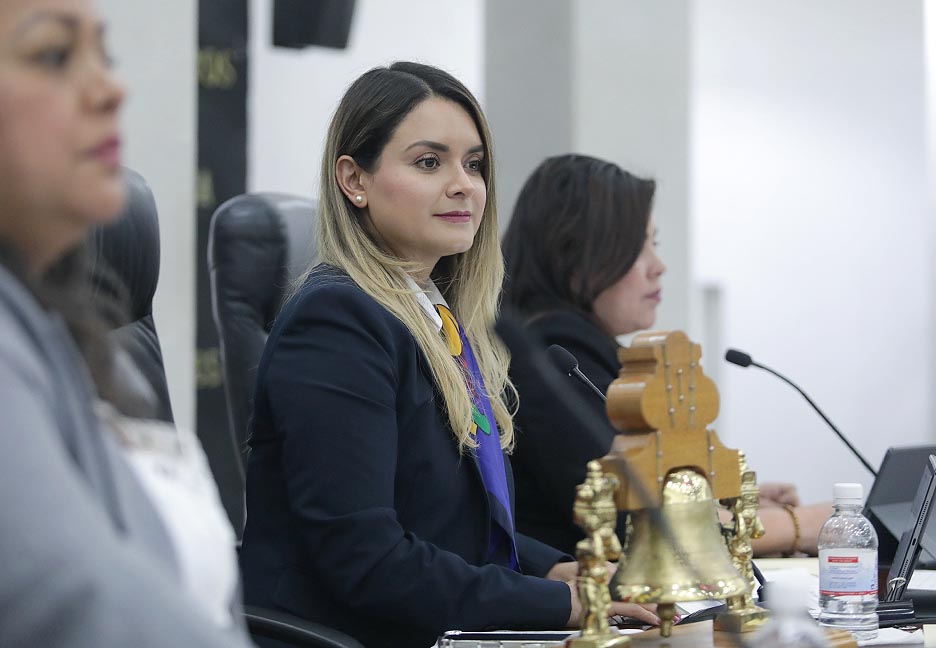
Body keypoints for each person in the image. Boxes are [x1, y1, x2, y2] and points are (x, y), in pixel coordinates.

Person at [238, 63, 659, 648]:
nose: (464, 184)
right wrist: (561, 603)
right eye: (429, 162)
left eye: (474, 164)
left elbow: (452, 524)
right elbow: (368, 559)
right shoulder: (338, 321)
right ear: (354, 180)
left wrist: (556, 570)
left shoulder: (438, 321)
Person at [0, 1, 254, 646]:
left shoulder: (47, 322)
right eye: (54, 55)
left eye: (103, 57)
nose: (113, 87)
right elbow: (71, 595)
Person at [502, 154, 831, 559]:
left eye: (653, 245)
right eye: (634, 248)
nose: (659, 267)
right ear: (571, 255)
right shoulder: (555, 358)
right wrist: (801, 526)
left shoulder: (583, 349)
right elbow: (638, 522)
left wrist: (729, 504)